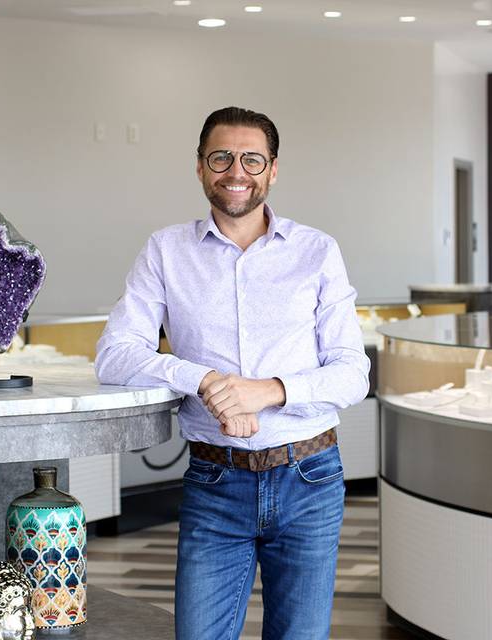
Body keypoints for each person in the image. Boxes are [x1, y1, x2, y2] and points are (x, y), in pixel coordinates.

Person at [95, 106, 370, 640]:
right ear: (200, 167)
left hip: (309, 478)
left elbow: (352, 372)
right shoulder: (166, 251)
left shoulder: (316, 252)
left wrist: (265, 392)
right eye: (221, 157)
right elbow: (114, 354)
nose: (236, 171)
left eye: (252, 159)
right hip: (214, 481)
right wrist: (204, 380)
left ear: (272, 170)